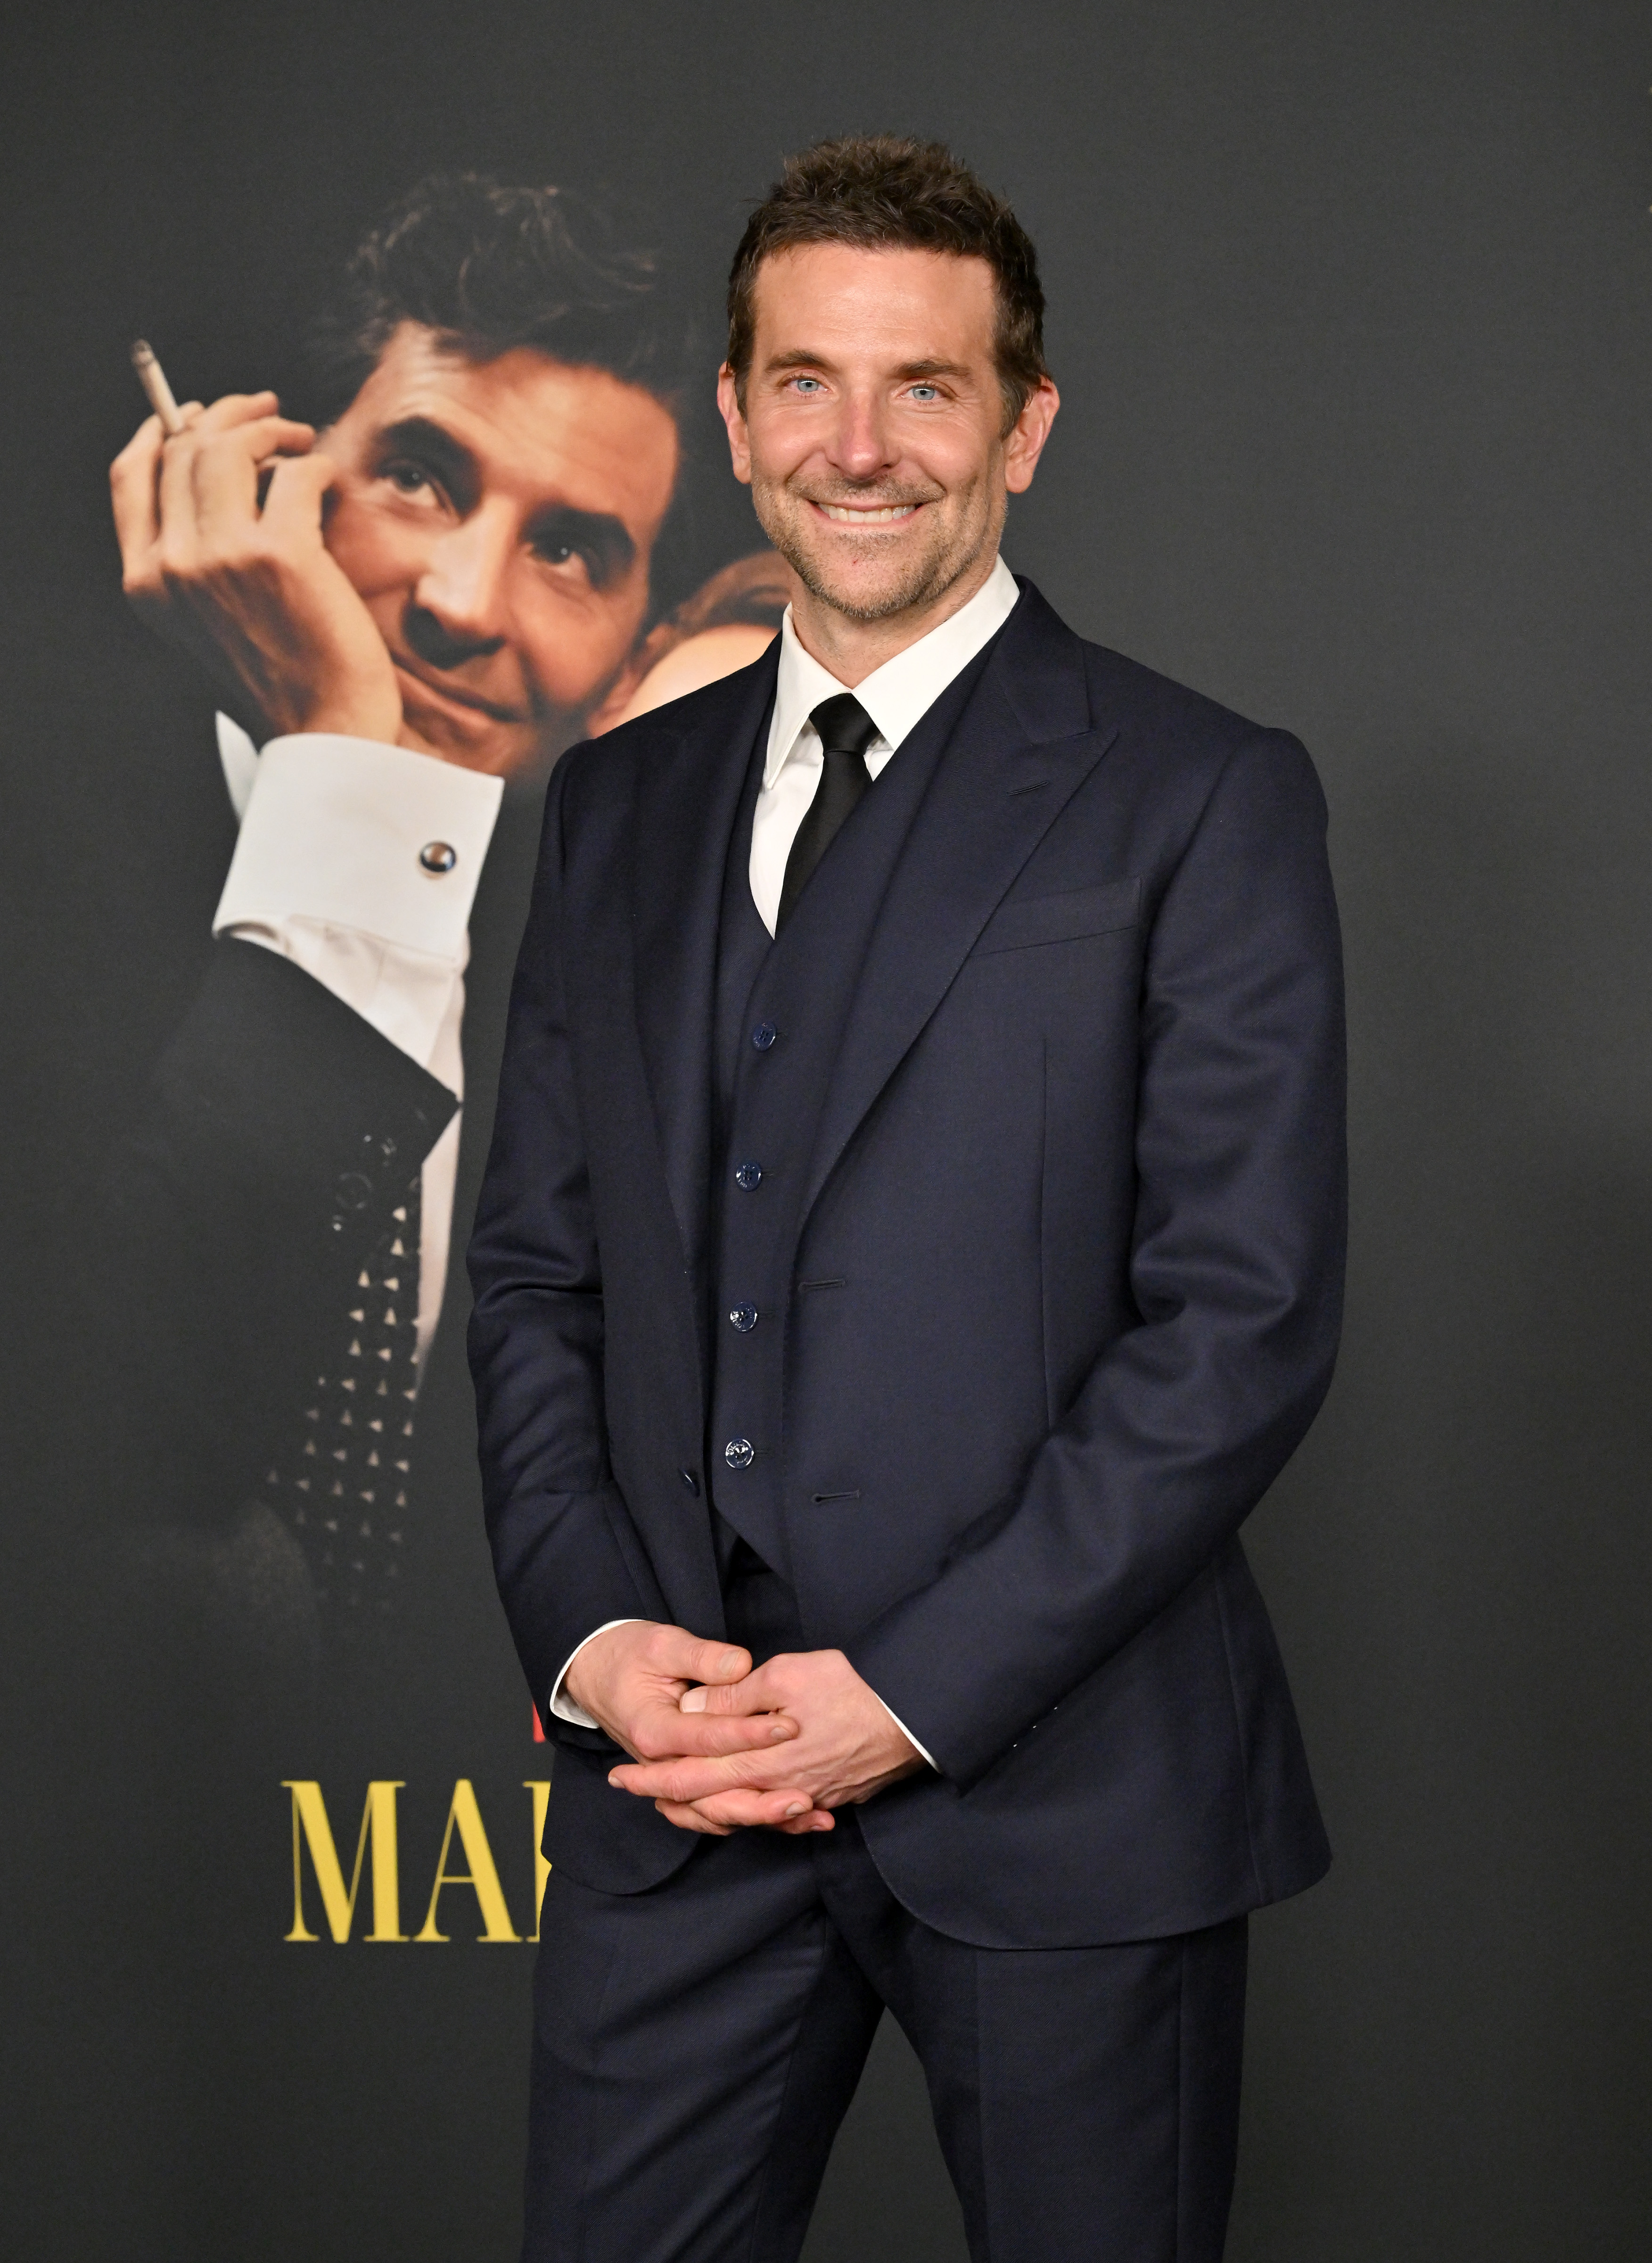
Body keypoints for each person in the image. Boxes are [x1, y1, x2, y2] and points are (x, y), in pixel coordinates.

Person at [468, 135, 1346, 2262]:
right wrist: (594, 1642)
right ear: (735, 418)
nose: (860, 451)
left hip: (1058, 1800)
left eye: (925, 390)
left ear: (1022, 427)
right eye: (805, 385)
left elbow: (1235, 1327)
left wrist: (907, 1694)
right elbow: (533, 1280)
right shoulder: (615, 807)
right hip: (681, 1809)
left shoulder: (1200, 793)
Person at [99, 171, 777, 1689]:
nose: (468, 604)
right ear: (267, 477)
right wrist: (341, 762)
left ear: (632, 652)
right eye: (420, 477)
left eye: (572, 552)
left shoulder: (630, 972)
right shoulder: (48, 853)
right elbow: (109, 1456)